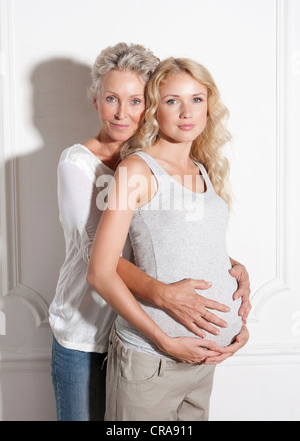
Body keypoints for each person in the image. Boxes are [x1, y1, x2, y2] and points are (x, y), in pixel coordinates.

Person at [50, 43, 251, 421]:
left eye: (136, 100)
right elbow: (99, 258)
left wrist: (231, 270)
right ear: (97, 101)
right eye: (112, 98)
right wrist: (164, 298)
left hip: (164, 344)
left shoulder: (178, 162)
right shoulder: (89, 165)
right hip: (89, 329)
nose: (123, 112)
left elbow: (173, 238)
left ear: (148, 105)